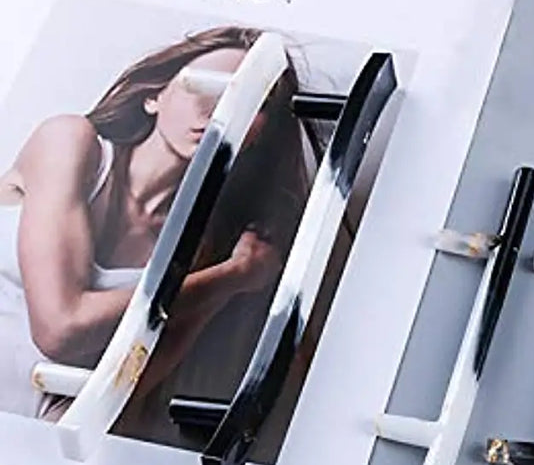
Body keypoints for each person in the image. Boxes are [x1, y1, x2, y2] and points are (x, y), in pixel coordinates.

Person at [0, 25, 309, 420]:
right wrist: (231, 277)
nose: (219, 112)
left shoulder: (205, 248)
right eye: (205, 87)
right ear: (153, 97)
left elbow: (116, 398)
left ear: (259, 137)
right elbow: (61, 329)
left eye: (254, 103)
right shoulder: (69, 142)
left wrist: (223, 280)